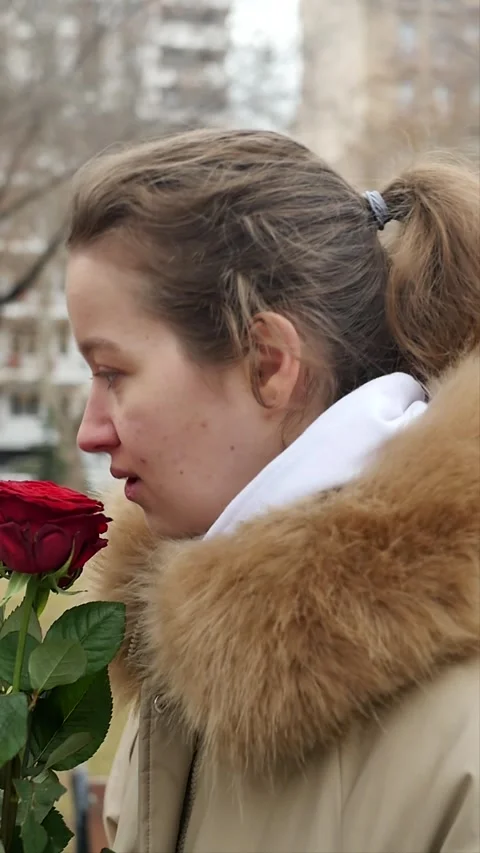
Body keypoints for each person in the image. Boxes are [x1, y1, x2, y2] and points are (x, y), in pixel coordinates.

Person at [65, 129, 480, 853]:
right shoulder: (182, 661)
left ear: (268, 362)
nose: (89, 431)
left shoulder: (463, 734)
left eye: (114, 373)